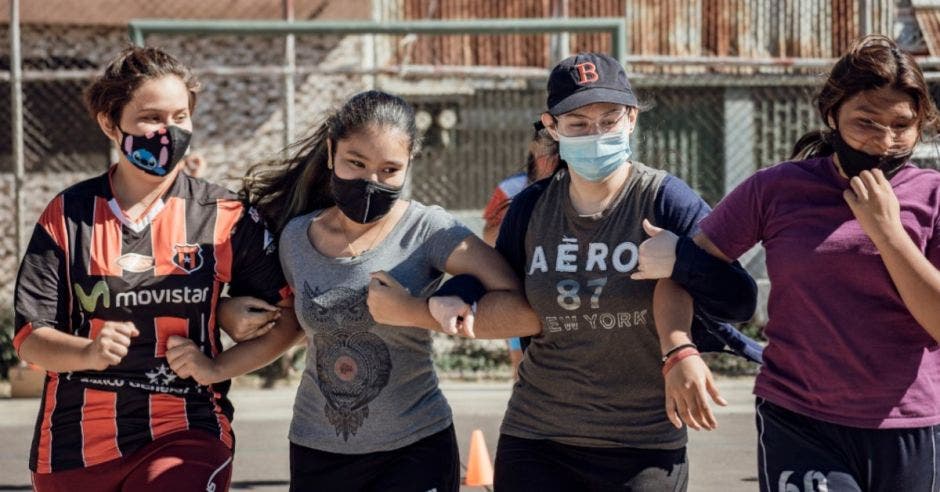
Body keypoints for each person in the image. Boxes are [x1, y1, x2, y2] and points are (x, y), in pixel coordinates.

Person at [419, 53, 760, 491]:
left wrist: (682, 260)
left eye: (609, 119)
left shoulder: (663, 199)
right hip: (537, 437)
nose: (595, 134)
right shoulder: (530, 207)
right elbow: (496, 276)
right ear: (552, 127)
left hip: (642, 444)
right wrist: (459, 290)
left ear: (632, 119)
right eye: (578, 124)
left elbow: (740, 301)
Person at [172, 90, 539, 492]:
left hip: (414, 450)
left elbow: (519, 306)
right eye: (356, 163)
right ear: (331, 153)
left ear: (410, 163)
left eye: (389, 170)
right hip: (317, 452)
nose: (371, 182)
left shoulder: (428, 230)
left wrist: (420, 309)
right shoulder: (297, 237)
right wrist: (216, 362)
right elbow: (290, 324)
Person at [635, 35, 940, 491]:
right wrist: (679, 350)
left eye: (902, 126)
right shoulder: (776, 189)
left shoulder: (932, 195)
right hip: (800, 419)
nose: (884, 142)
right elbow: (681, 271)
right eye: (866, 122)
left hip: (909, 423)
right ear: (831, 114)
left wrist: (888, 233)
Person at [12, 46, 291, 492]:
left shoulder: (226, 214)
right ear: (110, 122)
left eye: (180, 116)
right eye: (152, 117)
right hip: (73, 446)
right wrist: (87, 353)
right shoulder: (67, 214)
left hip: (186, 431)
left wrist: (219, 368)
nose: (169, 132)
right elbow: (30, 337)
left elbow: (288, 317)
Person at [481, 121, 559, 378]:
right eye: (546, 145)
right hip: (519, 285)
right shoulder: (511, 188)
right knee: (522, 362)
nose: (551, 153)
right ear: (533, 147)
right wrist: (519, 222)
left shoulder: (573, 186)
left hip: (558, 285)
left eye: (556, 146)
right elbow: (488, 236)